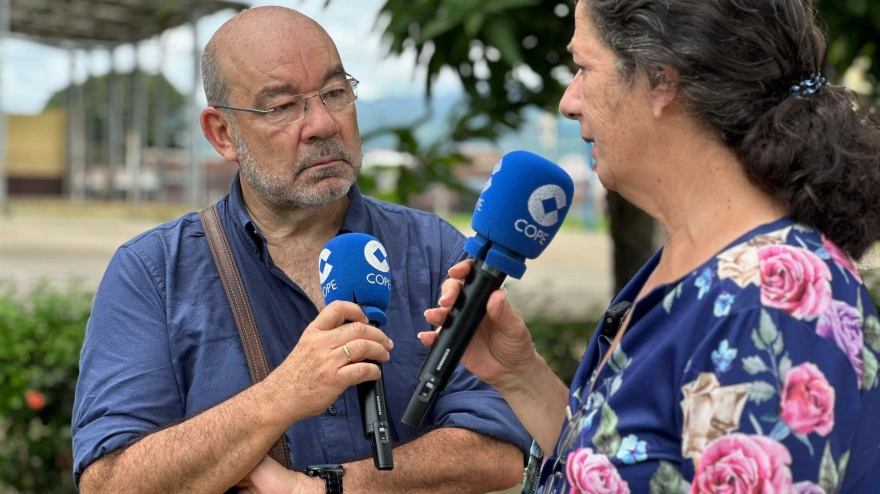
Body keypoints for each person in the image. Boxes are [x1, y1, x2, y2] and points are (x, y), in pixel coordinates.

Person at [422, 0, 880, 493]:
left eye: (583, 67)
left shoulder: (771, 302)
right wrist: (519, 375)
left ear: (662, 81)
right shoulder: (690, 257)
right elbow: (624, 469)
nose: (568, 100)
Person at [71, 6, 530, 493]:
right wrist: (280, 396)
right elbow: (108, 483)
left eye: (335, 92)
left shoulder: (435, 248)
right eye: (282, 106)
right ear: (222, 133)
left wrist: (328, 486)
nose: (322, 123)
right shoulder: (152, 272)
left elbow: (497, 447)